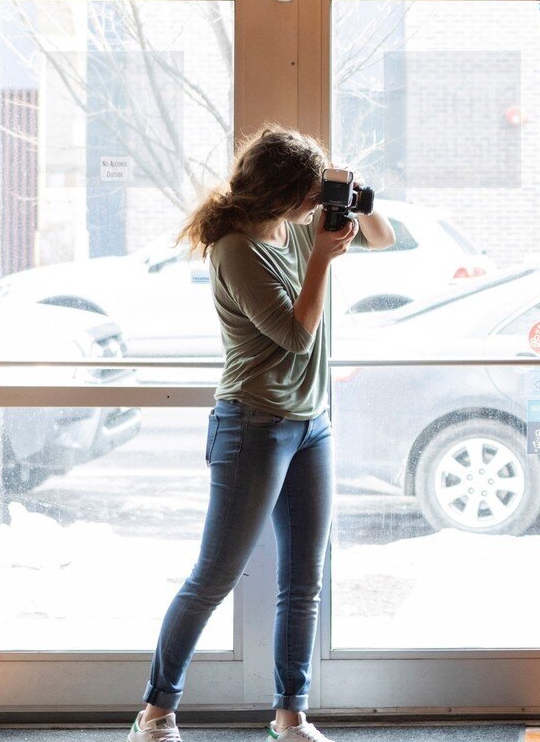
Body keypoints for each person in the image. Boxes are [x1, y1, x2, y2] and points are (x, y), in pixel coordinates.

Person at [129, 127, 394, 742]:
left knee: (304, 579)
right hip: (252, 424)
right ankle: (156, 711)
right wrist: (325, 258)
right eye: (309, 193)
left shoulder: (299, 226)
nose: (315, 205)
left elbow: (382, 237)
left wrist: (355, 197)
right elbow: (295, 335)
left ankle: (290, 716)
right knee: (214, 576)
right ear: (280, 193)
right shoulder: (237, 248)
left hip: (311, 425)